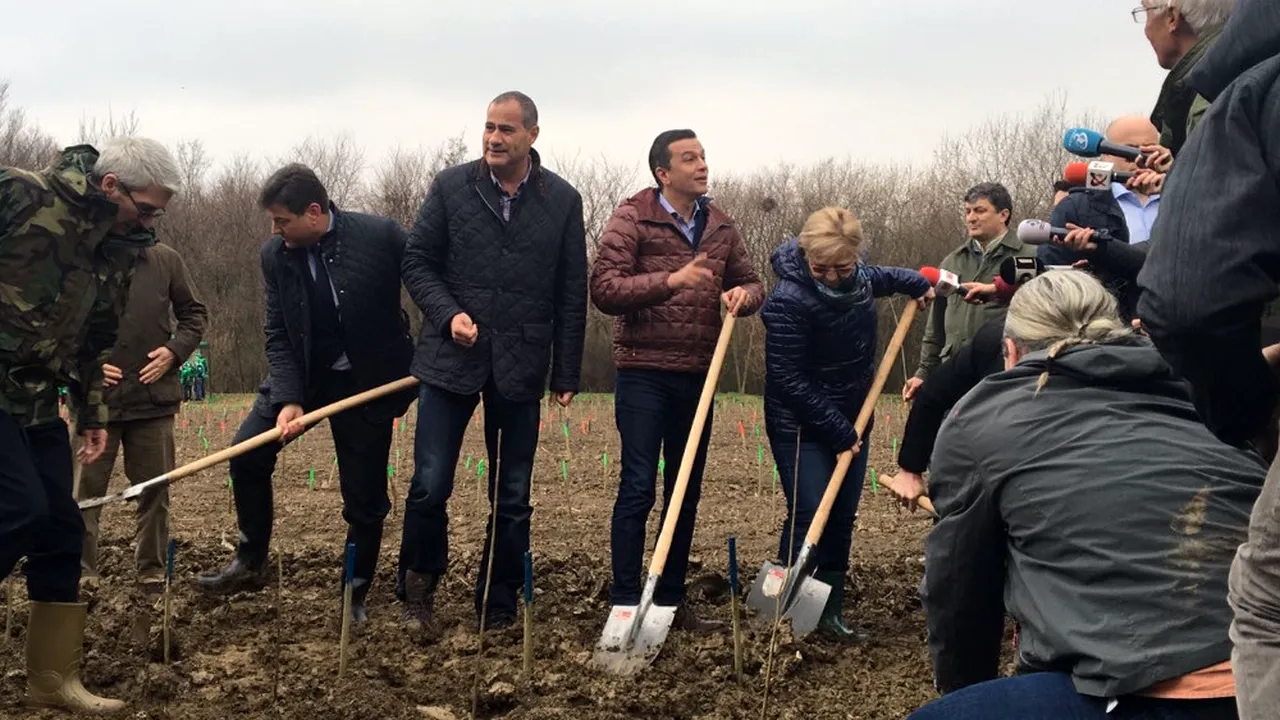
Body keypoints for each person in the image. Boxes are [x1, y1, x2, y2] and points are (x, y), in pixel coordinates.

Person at [911, 270, 1264, 719]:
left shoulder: (983, 419)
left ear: (1011, 351)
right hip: (1263, 664)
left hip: (1155, 691)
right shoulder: (1200, 394)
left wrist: (964, 688)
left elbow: (958, 586)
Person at [0, 137, 181, 712]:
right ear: (110, 185)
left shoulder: (119, 248)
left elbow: (94, 339)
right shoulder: (19, 194)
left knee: (61, 526)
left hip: (34, 400)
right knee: (18, 510)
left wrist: (92, 411)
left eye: (157, 214)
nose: (150, 222)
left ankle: (53, 680)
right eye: (145, 208)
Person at [397, 91, 587, 636]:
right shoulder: (450, 186)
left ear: (532, 135)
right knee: (430, 483)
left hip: (522, 361)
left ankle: (498, 603)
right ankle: (417, 592)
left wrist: (566, 371)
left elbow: (571, 290)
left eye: (506, 129)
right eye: (488, 127)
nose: (494, 138)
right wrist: (447, 314)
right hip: (450, 357)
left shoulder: (563, 200)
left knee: (512, 494)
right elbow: (417, 262)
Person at [1135, 2, 1280, 715]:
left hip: (1241, 360)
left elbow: (1188, 300)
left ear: (1171, 15)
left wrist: (1250, 411)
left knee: (1269, 609)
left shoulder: (1253, 89)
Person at [198, 164, 416, 628]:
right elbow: (278, 331)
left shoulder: (380, 236)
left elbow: (428, 281)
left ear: (314, 212)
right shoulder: (275, 255)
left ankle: (355, 590)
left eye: (282, 220)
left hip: (370, 381)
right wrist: (289, 399)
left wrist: (429, 352)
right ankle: (250, 561)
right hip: (305, 374)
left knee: (364, 495)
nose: (274, 231)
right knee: (247, 454)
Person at [590, 128, 762, 632]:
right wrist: (671, 281)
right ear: (663, 173)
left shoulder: (721, 225)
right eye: (689, 159)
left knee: (684, 489)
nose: (702, 165)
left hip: (697, 376)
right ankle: (625, 602)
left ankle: (669, 602)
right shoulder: (633, 216)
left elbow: (751, 282)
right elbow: (605, 288)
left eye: (703, 156)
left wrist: (743, 298)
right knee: (638, 486)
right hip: (643, 372)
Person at [760, 207, 931, 639]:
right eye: (822, 269)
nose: (833, 278)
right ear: (806, 255)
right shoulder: (787, 301)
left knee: (841, 517)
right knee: (809, 511)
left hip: (855, 417)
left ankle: (829, 612)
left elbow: (884, 277)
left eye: (843, 268)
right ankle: (785, 614)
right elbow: (787, 378)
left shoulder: (862, 279)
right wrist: (838, 431)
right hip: (801, 423)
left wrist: (917, 283)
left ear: (855, 257)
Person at [77, 239, 206, 606]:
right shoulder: (81, 253)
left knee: (155, 491)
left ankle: (151, 571)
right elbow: (56, 323)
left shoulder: (166, 260)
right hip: (95, 404)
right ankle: (82, 574)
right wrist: (85, 364)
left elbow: (194, 315)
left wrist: (175, 351)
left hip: (153, 401)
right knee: (84, 494)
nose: (147, 220)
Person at [904, 182, 1035, 400]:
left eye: (980, 211)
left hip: (1007, 377)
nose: (971, 218)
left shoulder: (1030, 257)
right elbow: (935, 327)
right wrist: (924, 372)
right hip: (955, 374)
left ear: (1003, 215)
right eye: (967, 211)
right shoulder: (952, 261)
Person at [1040, 115, 1162, 320]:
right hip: (1105, 325)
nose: (1140, 159)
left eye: (1148, 151)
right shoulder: (1077, 208)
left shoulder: (1183, 200)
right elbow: (1051, 281)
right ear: (1105, 155)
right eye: (1129, 151)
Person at [1138, 0, 1235, 157]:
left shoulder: (1207, 102)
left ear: (1172, 18)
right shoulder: (1243, 72)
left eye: (1146, 12)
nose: (1146, 29)